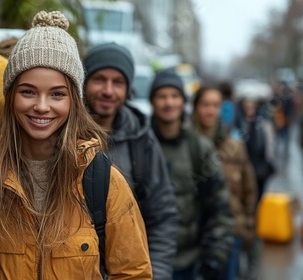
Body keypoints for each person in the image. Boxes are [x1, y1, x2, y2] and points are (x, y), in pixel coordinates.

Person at [0, 11, 152, 279]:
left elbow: (133, 272)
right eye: (28, 91)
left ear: (74, 102)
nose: (42, 107)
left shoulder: (101, 180)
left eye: (57, 94)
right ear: (10, 97)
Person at [83, 42, 179, 280]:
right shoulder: (62, 132)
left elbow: (162, 215)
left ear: (128, 89)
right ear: (83, 83)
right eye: (99, 79)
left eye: (118, 82)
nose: (108, 90)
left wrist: (157, 273)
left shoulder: (142, 140)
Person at [149, 69, 234, 280]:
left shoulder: (200, 148)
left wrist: (216, 253)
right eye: (162, 96)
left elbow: (219, 206)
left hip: (188, 261)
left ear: (183, 101)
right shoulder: (140, 145)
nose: (169, 103)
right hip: (145, 260)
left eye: (175, 96)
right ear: (152, 101)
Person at [192, 86, 258, 280]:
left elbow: (249, 189)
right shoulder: (187, 144)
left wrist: (247, 225)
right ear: (195, 107)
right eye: (205, 104)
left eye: (215, 105)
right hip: (196, 235)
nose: (210, 110)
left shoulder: (235, 146)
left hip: (231, 232)